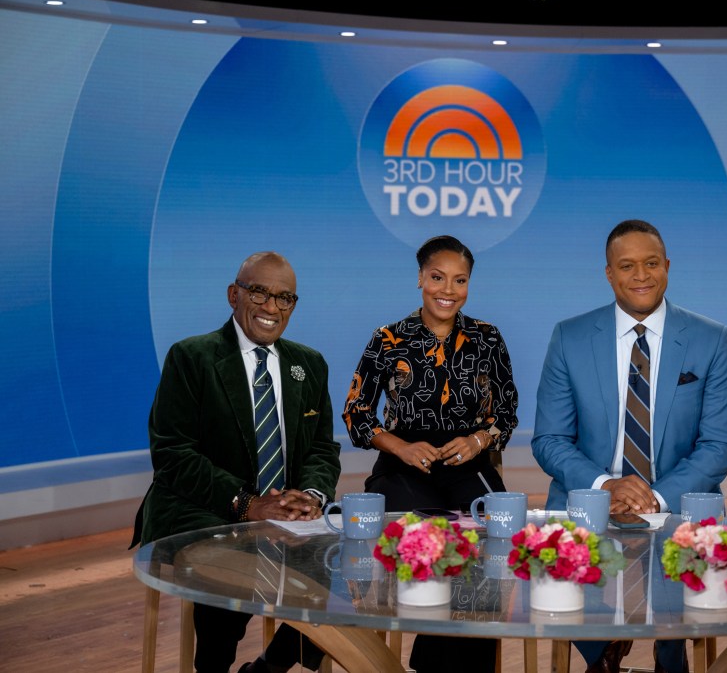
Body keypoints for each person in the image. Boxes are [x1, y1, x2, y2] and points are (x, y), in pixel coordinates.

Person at [532, 219, 727, 673]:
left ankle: (669, 653)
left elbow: (719, 445)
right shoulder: (569, 337)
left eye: (651, 263)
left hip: (677, 503)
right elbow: (548, 440)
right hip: (588, 502)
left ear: (667, 266)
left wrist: (654, 497)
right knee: (580, 600)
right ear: (609, 273)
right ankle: (601, 649)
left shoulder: (710, 338)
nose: (641, 275)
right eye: (627, 266)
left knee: (675, 607)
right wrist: (605, 486)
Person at [131, 252, 341, 673]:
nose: (271, 308)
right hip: (203, 506)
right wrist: (248, 505)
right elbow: (172, 455)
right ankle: (213, 666)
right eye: (260, 292)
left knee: (345, 570)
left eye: (285, 298)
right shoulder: (192, 357)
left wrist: (310, 497)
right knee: (232, 554)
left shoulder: (309, 364)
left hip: (284, 513)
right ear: (234, 294)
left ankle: (267, 669)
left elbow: (321, 450)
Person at [342, 234, 518, 673]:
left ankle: (448, 663)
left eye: (460, 280)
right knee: (422, 547)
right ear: (421, 278)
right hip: (405, 465)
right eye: (438, 277)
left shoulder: (488, 339)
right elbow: (356, 413)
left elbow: (507, 413)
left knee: (487, 550)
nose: (448, 289)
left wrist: (478, 440)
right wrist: (400, 446)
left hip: (467, 463)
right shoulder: (388, 339)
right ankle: (425, 656)